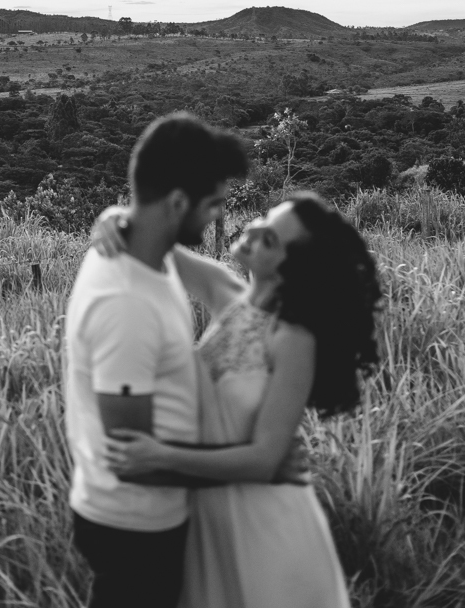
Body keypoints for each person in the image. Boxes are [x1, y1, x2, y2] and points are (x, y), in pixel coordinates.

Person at [100, 192, 382, 608]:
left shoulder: (291, 339)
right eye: (264, 219)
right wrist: (114, 216)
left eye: (269, 238)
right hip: (207, 513)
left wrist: (159, 456)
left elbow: (265, 460)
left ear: (292, 268)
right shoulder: (226, 293)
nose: (252, 228)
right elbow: (152, 240)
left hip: (265, 523)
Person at [63, 112, 250, 608]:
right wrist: (249, 469)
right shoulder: (125, 302)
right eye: (213, 205)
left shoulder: (155, 251)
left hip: (154, 514)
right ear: (177, 203)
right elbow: (132, 460)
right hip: (132, 525)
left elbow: (226, 287)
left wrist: (115, 214)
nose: (217, 217)